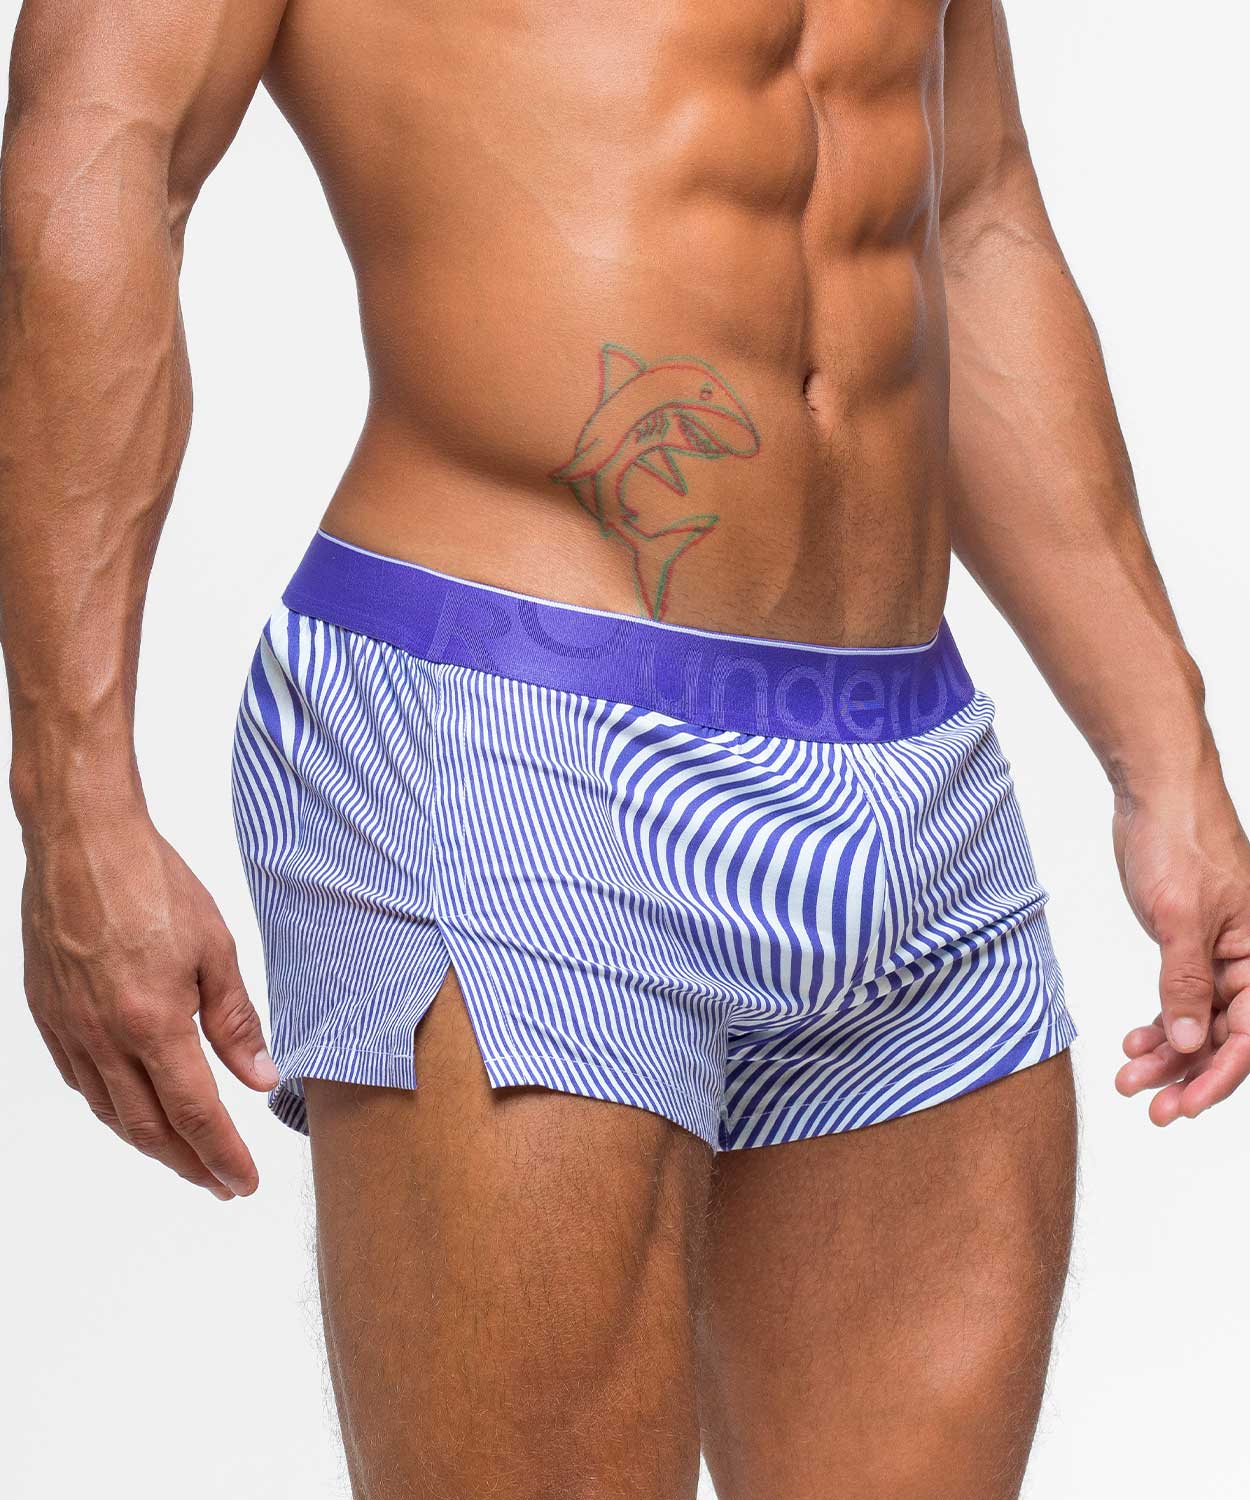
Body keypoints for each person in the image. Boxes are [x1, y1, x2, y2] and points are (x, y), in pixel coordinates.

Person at [2, 1, 1246, 1495]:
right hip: (500, 740)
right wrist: (74, 805)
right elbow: (103, 158)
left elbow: (967, 209)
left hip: (913, 771)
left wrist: (1167, 753)